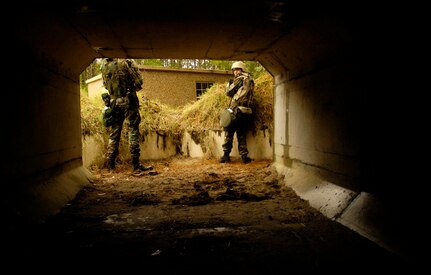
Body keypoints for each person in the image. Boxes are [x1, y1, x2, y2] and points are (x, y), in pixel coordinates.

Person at [100, 58, 153, 172]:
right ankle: (135, 165)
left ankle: (110, 166)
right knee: (133, 130)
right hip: (129, 100)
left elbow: (104, 85)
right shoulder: (127, 62)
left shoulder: (103, 65)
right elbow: (139, 83)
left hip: (114, 101)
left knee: (114, 133)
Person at [219, 61, 254, 164]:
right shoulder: (250, 79)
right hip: (245, 111)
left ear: (242, 70)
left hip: (237, 110)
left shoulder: (240, 79)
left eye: (237, 69)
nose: (235, 72)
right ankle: (244, 157)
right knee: (241, 134)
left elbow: (228, 92)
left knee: (229, 133)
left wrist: (229, 84)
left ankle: (226, 156)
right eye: (234, 70)